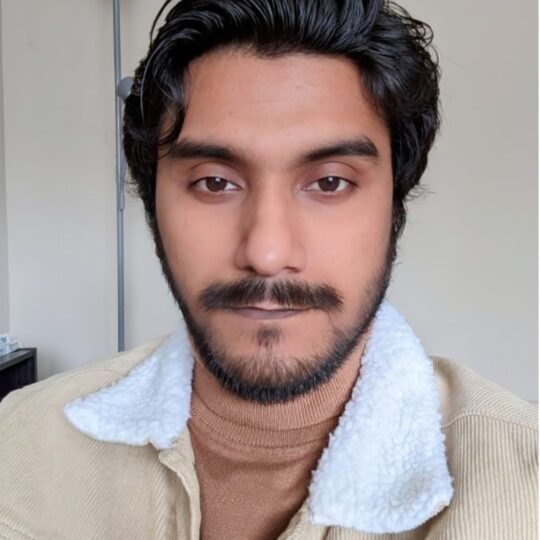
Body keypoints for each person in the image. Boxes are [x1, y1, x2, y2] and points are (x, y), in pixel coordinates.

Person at [0, 1, 536, 539]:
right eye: (215, 182)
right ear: (153, 203)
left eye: (329, 182)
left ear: (394, 205)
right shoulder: (19, 444)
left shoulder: (522, 480)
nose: (267, 252)